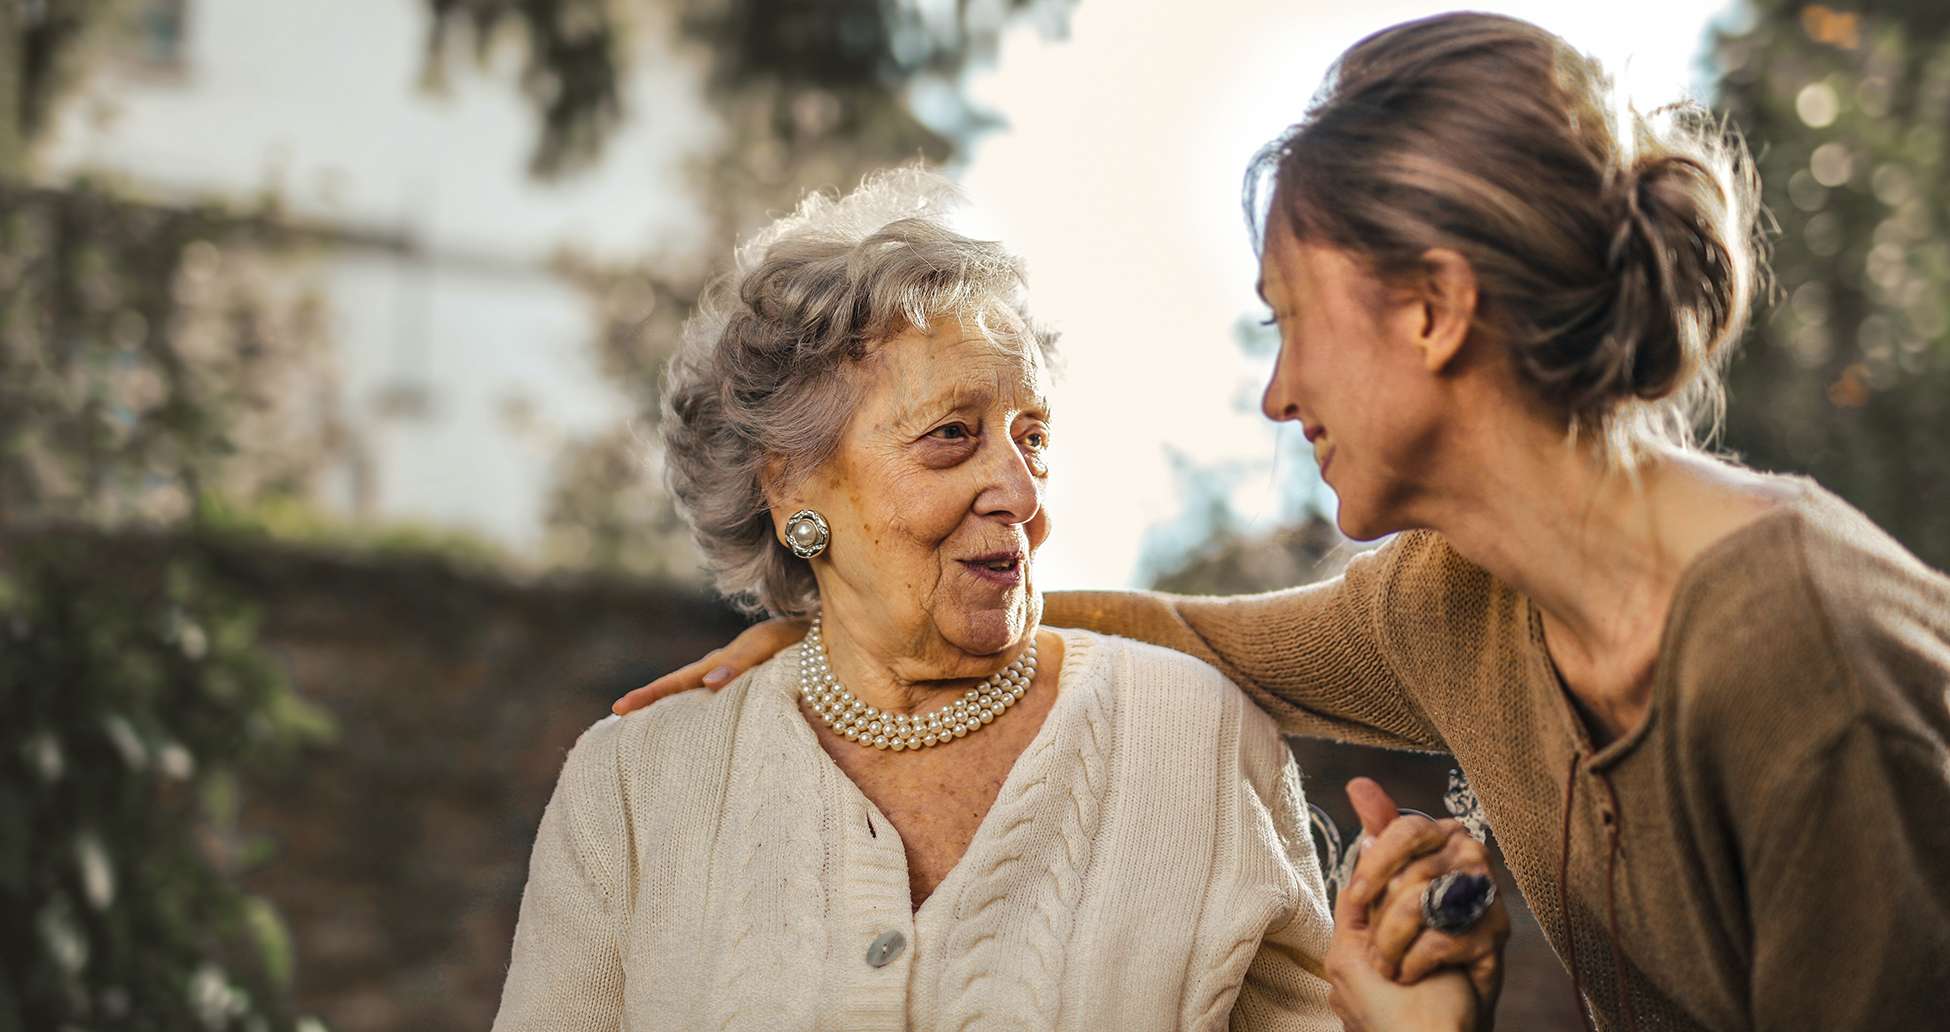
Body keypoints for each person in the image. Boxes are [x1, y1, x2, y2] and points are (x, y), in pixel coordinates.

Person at [612, 12, 1950, 1031]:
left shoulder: (1803, 661)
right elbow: (1191, 636)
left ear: (1432, 310)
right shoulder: (1457, 602)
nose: (1278, 392)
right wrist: (858, 631)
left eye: (1291, 321)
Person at [492, 168, 1492, 1030]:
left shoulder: (1197, 736)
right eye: (951, 436)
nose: (1020, 492)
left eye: (1033, 438)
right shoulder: (634, 786)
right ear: (790, 487)